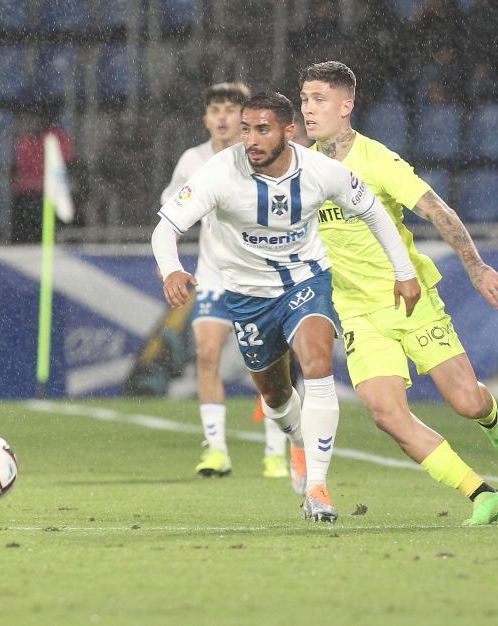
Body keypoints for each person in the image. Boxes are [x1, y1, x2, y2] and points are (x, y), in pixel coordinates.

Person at [152, 92, 421, 522]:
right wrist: (171, 270)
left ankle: (317, 486)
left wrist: (404, 271)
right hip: (246, 295)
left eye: (263, 129)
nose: (251, 139)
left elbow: (373, 212)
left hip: (306, 280)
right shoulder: (219, 173)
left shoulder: (321, 171)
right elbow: (165, 228)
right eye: (246, 129)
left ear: (288, 132)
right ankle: (297, 439)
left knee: (317, 362)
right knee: (276, 396)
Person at [299, 61, 498, 525]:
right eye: (304, 99)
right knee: (386, 413)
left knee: (466, 402)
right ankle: (482, 493)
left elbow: (436, 209)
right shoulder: (301, 167)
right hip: (355, 311)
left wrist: (475, 267)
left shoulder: (377, 160)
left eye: (319, 99)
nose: (308, 109)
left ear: (346, 106)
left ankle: (491, 417)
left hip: (410, 300)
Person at [160, 82, 292, 483]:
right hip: (214, 274)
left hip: (263, 276)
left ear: (245, 118)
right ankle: (216, 449)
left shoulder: (266, 158)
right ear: (205, 119)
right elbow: (171, 216)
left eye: (229, 110)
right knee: (206, 356)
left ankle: (276, 452)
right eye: (214, 109)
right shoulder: (193, 160)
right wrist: (169, 264)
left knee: (269, 368)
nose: (221, 117)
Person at [12, 108, 76, 243]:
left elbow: (65, 164)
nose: (37, 122)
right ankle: (24, 241)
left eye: (41, 117)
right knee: (26, 211)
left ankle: (51, 239)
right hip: (28, 194)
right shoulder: (25, 139)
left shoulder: (58, 137)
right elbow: (22, 166)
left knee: (42, 209)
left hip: (51, 193)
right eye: (35, 118)